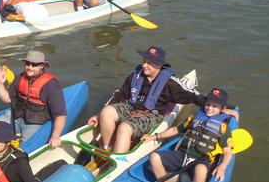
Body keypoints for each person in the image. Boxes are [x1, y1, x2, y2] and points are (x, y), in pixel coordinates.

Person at [87, 46, 236, 153]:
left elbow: (194, 96)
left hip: (152, 114)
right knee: (107, 111)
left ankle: (116, 161)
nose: (145, 65)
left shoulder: (170, 84)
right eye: (144, 61)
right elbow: (120, 94)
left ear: (159, 65)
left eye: (150, 63)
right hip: (131, 107)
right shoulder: (136, 75)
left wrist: (222, 107)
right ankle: (106, 148)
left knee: (124, 127)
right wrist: (99, 115)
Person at [143, 88, 235, 182]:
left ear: (222, 109)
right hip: (182, 155)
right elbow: (175, 130)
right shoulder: (194, 118)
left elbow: (228, 151)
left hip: (202, 160)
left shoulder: (223, 127)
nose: (209, 108)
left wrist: (222, 166)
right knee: (154, 157)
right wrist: (153, 137)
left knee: (200, 170)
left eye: (214, 106)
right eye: (208, 104)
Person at [0, 51, 67, 147]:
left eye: (34, 64)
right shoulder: (20, 78)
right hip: (15, 116)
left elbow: (60, 114)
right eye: (28, 64)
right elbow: (7, 99)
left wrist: (55, 136)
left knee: (24, 146)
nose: (30, 67)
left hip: (35, 123)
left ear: (41, 66)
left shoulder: (51, 85)